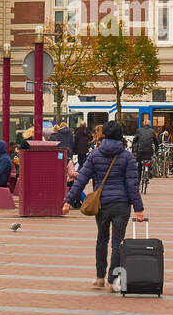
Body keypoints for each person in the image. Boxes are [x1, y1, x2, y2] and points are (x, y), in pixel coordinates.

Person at [62, 120, 144, 290]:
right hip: (122, 205)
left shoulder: (95, 155)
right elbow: (132, 184)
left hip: (102, 204)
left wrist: (68, 200)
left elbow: (82, 179)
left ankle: (100, 277)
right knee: (117, 242)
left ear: (104, 135)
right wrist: (139, 209)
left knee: (102, 239)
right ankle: (113, 279)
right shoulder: (127, 156)